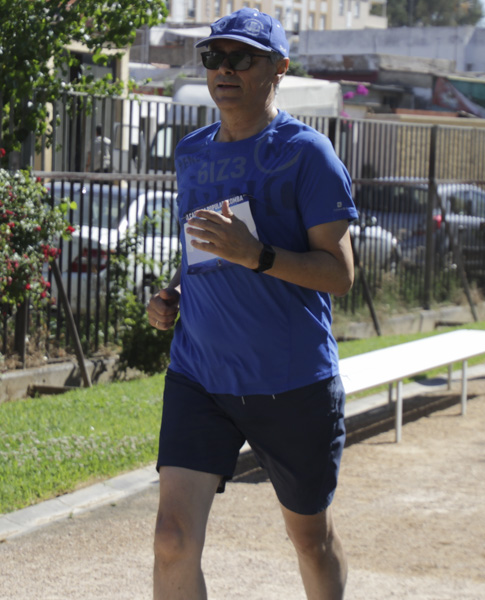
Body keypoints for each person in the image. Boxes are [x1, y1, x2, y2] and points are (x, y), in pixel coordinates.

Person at [146, 8, 357, 600]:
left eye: (243, 57)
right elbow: (205, 253)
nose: (225, 69)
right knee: (171, 538)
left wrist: (257, 255)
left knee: (310, 540)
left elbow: (339, 275)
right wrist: (175, 293)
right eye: (214, 57)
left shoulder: (308, 154)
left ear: (278, 68)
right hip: (200, 376)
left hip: (290, 383)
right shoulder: (192, 153)